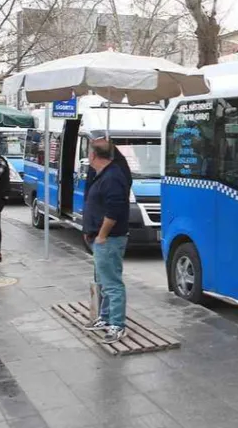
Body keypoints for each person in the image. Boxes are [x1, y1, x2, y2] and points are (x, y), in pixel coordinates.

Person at [82, 142, 130, 344]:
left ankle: (118, 325)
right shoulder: (102, 174)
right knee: (102, 281)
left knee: (111, 283)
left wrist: (101, 235)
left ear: (93, 155)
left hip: (109, 239)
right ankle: (106, 317)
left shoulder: (112, 176)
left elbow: (114, 210)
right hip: (100, 238)